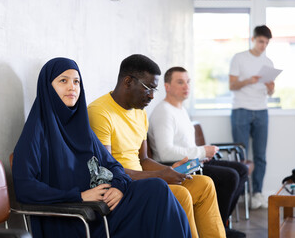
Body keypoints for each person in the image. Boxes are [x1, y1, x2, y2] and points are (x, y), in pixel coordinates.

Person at [12, 57, 192, 238]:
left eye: (76, 81)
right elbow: (25, 188)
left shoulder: (82, 130)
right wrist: (79, 196)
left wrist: (119, 186)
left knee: (157, 189)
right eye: (63, 81)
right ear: (47, 87)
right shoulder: (35, 133)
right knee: (157, 200)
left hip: (100, 209)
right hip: (71, 218)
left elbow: (113, 165)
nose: (72, 87)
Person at [88, 54, 226, 238]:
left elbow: (143, 159)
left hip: (146, 178)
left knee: (205, 184)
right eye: (148, 88)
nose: (152, 96)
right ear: (128, 82)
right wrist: (160, 175)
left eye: (155, 89)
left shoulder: (140, 112)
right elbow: (107, 171)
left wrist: (170, 171)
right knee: (181, 194)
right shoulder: (100, 112)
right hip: (124, 186)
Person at [148, 66, 248, 238]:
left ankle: (220, 223)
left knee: (241, 169)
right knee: (230, 176)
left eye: (188, 82)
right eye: (180, 82)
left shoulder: (180, 109)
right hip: (174, 166)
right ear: (167, 86)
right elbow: (165, 152)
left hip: (194, 161)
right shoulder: (164, 112)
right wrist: (202, 152)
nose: (186, 86)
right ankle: (215, 227)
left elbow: (186, 144)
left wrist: (202, 154)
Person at [229, 25, 275, 209]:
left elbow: (271, 92)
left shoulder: (268, 62)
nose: (263, 45)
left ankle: (257, 193)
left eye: (266, 43)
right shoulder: (239, 58)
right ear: (253, 39)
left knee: (260, 156)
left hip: (262, 110)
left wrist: (271, 87)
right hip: (241, 109)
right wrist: (250, 80)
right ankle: (241, 194)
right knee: (242, 155)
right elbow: (231, 85)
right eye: (261, 41)